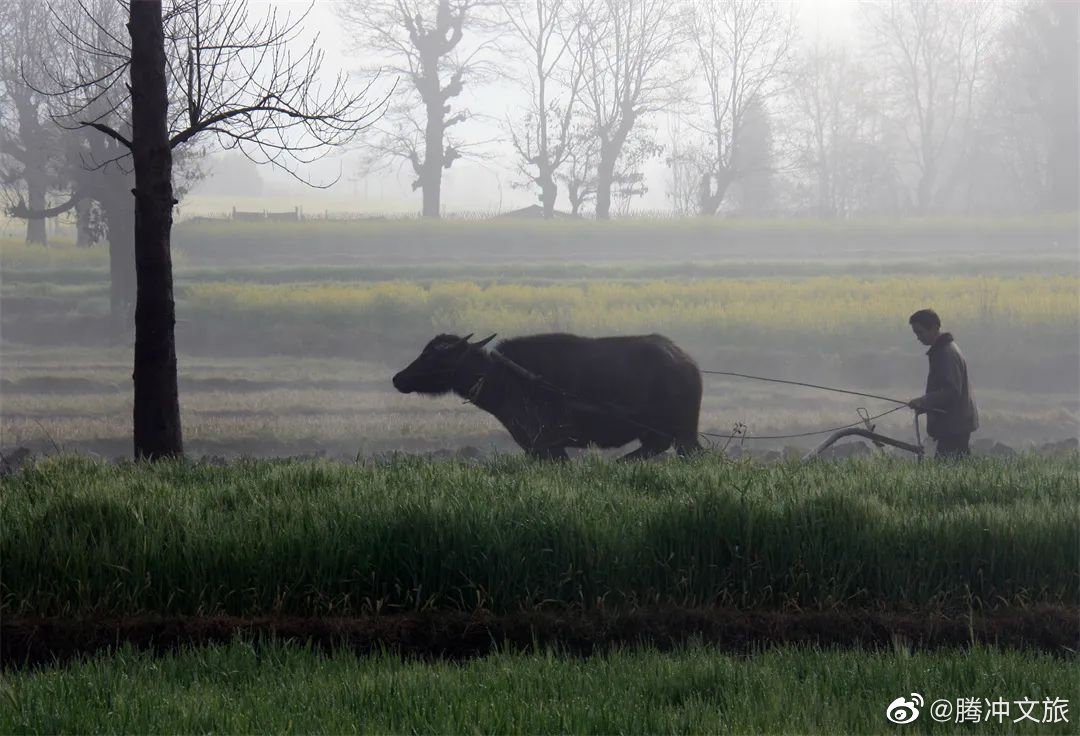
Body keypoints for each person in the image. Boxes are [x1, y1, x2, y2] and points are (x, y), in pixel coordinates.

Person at [907, 309, 978, 459]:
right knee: (957, 471)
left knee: (948, 472)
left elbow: (951, 392)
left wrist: (924, 401)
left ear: (934, 327)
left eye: (920, 332)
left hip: (954, 426)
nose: (919, 338)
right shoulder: (944, 350)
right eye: (916, 334)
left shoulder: (946, 353)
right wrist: (925, 406)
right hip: (954, 424)